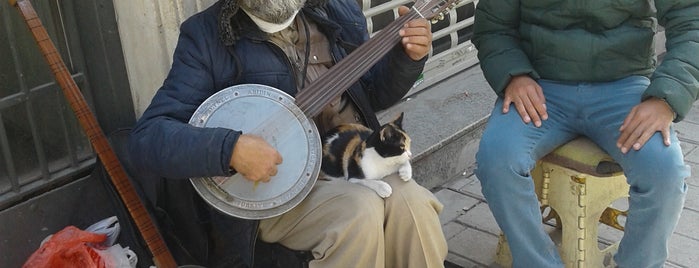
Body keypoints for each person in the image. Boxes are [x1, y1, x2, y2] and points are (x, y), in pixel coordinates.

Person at [126, 0, 448, 267]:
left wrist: (407, 58)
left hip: (352, 161)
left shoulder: (335, 10)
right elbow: (148, 138)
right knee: (358, 212)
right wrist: (230, 149)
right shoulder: (206, 36)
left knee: (413, 203)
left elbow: (372, 92)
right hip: (277, 190)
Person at [471, 1, 699, 267]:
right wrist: (513, 76)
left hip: (624, 85)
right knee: (497, 158)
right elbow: (493, 27)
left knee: (665, 171)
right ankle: (537, 262)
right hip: (539, 85)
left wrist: (665, 99)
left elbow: (691, 22)